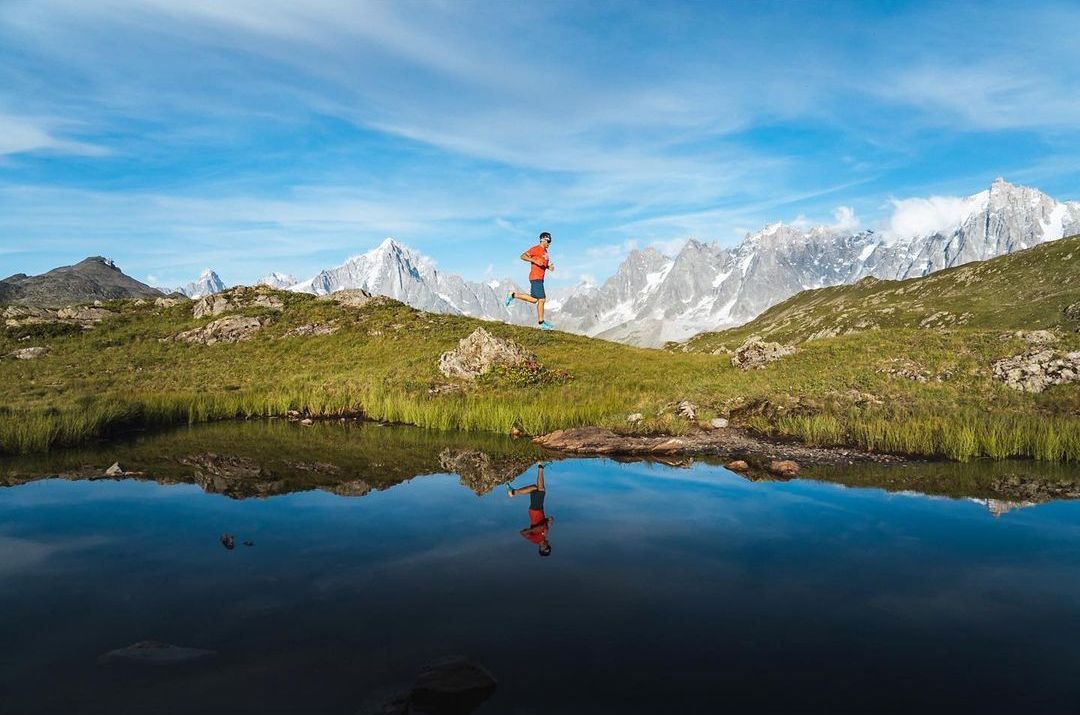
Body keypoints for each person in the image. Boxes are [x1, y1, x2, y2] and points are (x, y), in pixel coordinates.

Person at [505, 232, 554, 330]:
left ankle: (512, 295)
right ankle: (542, 323)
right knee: (542, 299)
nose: (549, 243)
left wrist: (548, 266)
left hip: (539, 277)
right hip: (536, 277)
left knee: (534, 299)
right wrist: (534, 261)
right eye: (548, 241)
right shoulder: (536, 249)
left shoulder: (545, 252)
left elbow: (542, 264)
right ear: (543, 240)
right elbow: (522, 256)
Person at [507, 463, 553, 557]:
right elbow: (544, 523)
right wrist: (549, 521)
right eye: (548, 547)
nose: (546, 545)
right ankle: (513, 492)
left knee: (541, 490)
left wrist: (534, 529)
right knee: (534, 488)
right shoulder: (544, 535)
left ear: (541, 548)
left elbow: (522, 533)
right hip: (539, 509)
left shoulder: (535, 540)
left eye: (545, 548)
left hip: (535, 512)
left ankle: (541, 466)